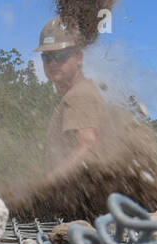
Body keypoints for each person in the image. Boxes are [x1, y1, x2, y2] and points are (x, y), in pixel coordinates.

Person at [35, 17, 109, 178]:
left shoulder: (79, 95)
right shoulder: (77, 93)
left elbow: (88, 147)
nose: (53, 63)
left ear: (79, 57)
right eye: (47, 57)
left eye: (61, 55)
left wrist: (45, 187)